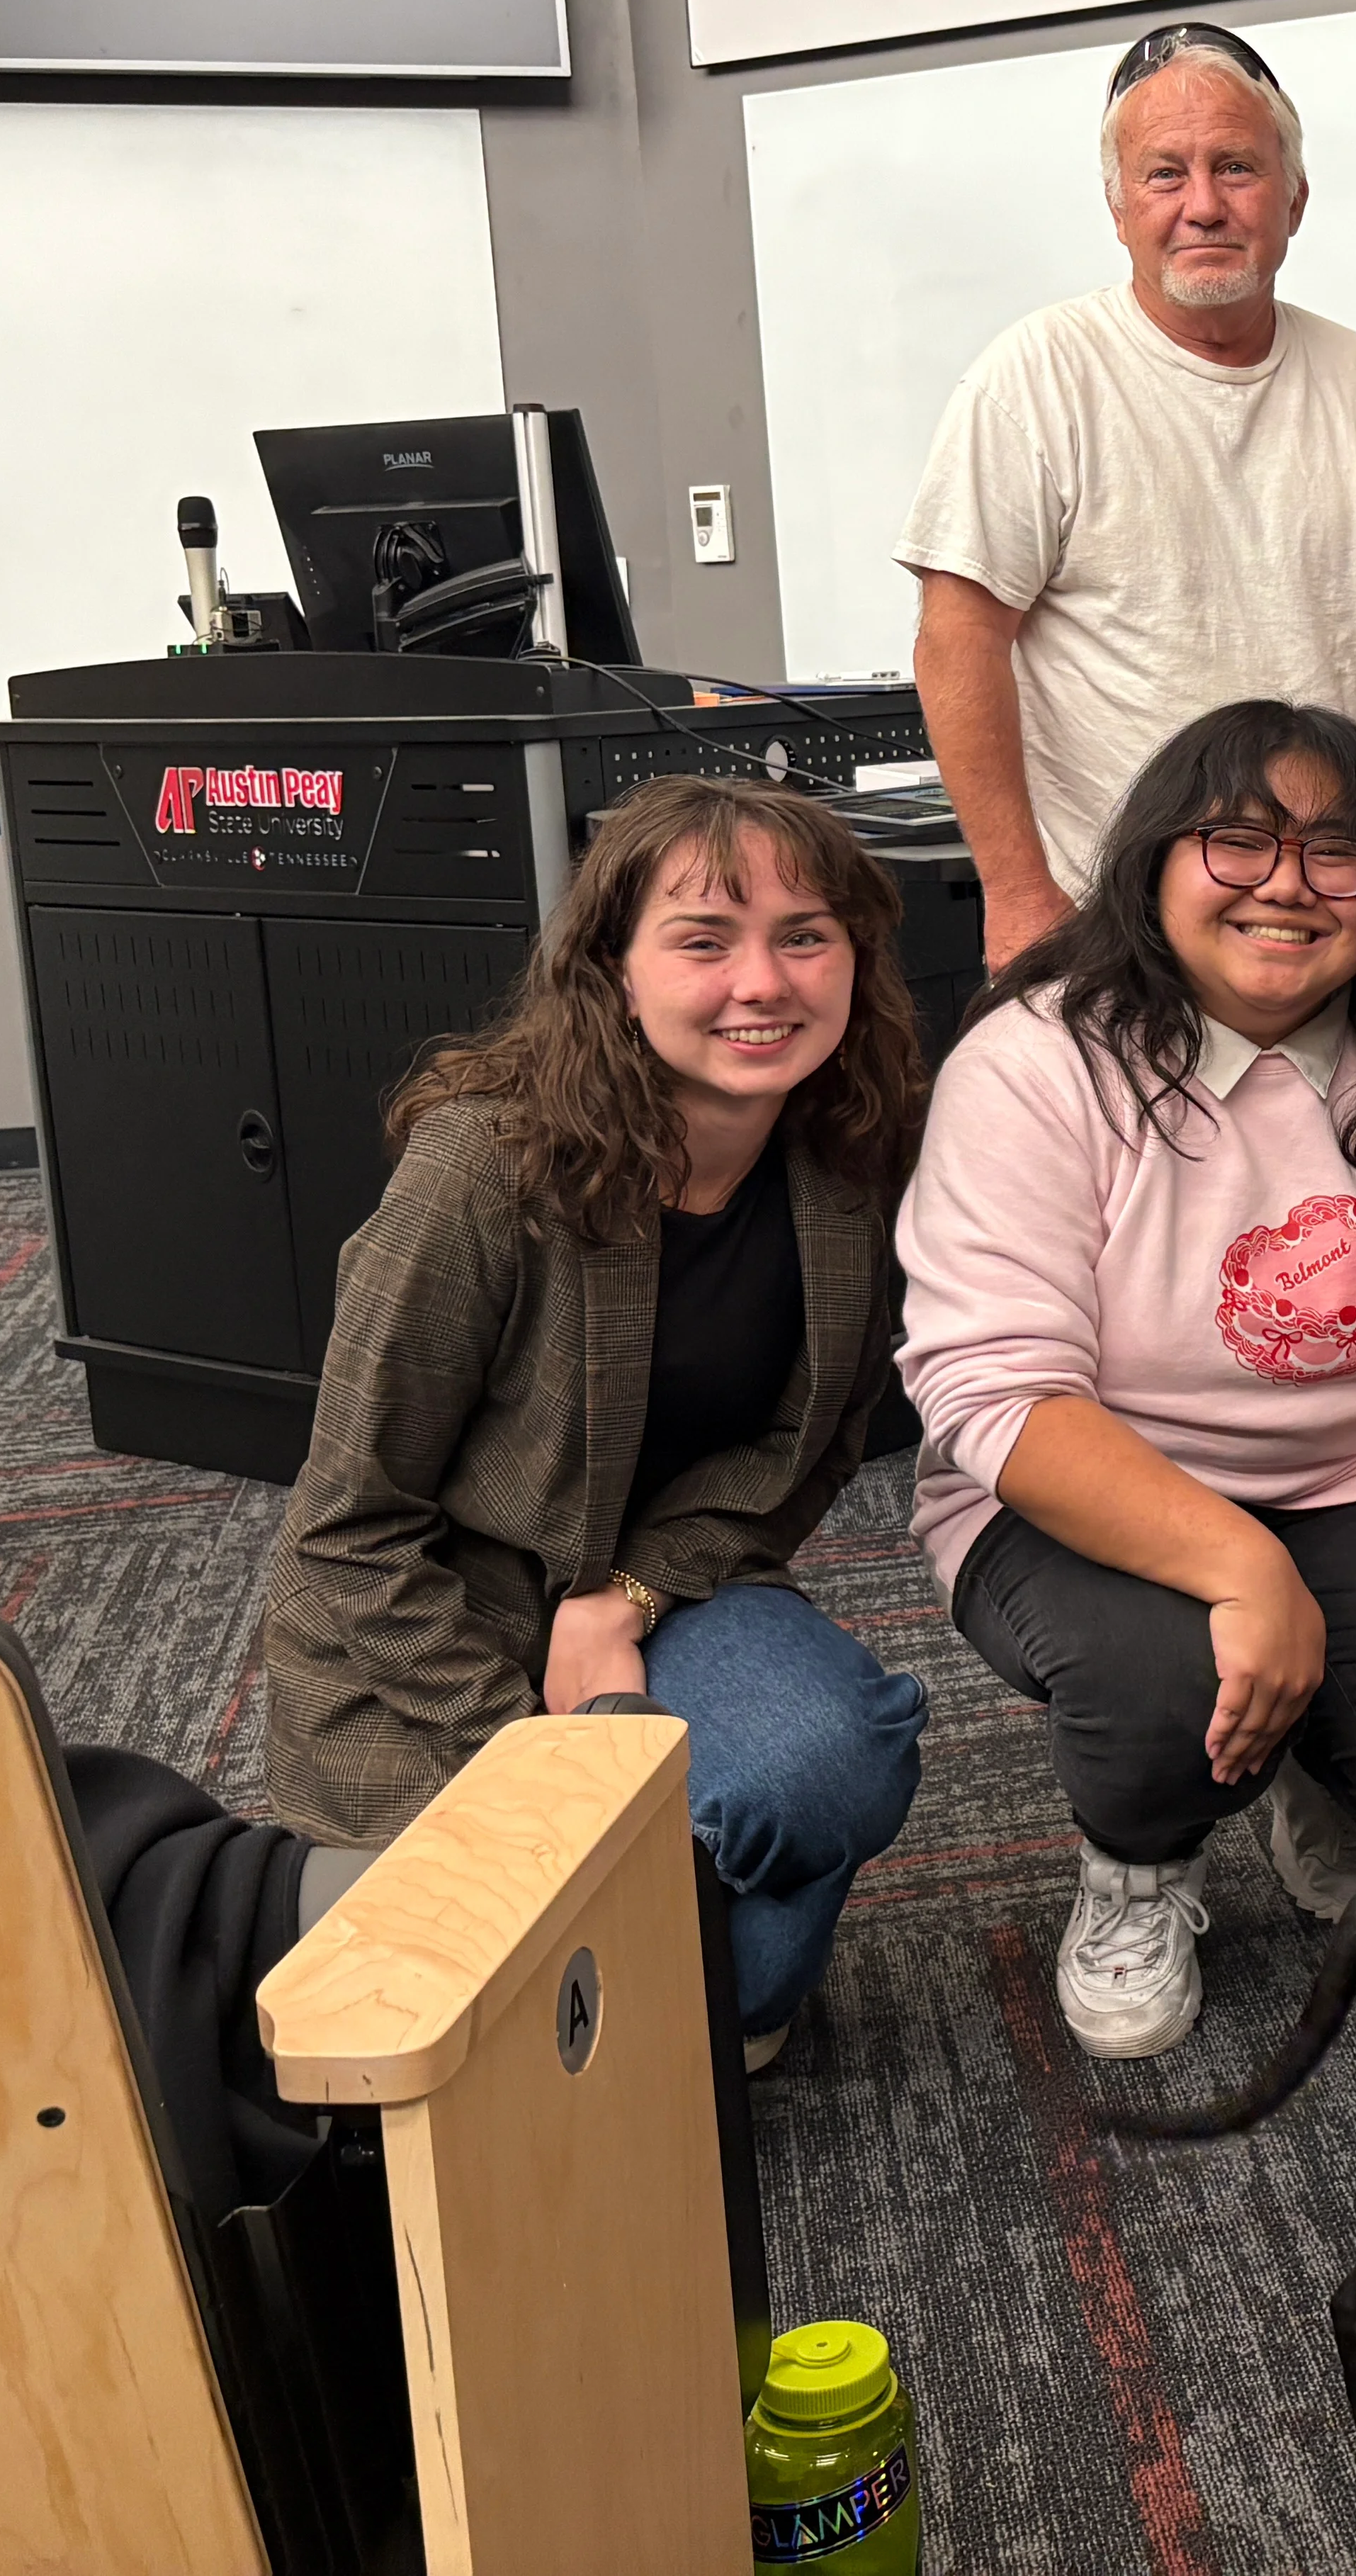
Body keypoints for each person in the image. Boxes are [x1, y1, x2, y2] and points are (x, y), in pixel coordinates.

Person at [897, 700, 1356, 2062]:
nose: (1287, 885)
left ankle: (1334, 1789)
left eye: (1335, 852)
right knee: (1166, 1687)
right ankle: (1134, 1869)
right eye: (1238, 841)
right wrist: (1248, 1573)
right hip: (1084, 1489)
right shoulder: (1036, 1062)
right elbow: (995, 1391)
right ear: (1155, 863)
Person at [259, 777, 929, 2071]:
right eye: (703, 940)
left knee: (822, 1776)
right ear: (614, 971)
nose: (763, 982)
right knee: (471, 2020)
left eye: (804, 936)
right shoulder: (481, 1169)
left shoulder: (849, 1160)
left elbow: (800, 1458)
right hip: (426, 1642)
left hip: (665, 1599)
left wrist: (626, 1598)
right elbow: (347, 1532)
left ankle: (696, 1970)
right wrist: (553, 1771)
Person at [905, 23, 1356, 977]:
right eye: (1165, 174)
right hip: (1111, 939)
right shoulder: (1035, 381)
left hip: (1327, 931)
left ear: (1295, 198)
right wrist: (1019, 896)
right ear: (1118, 207)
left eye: (1237, 168)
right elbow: (956, 644)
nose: (1203, 206)